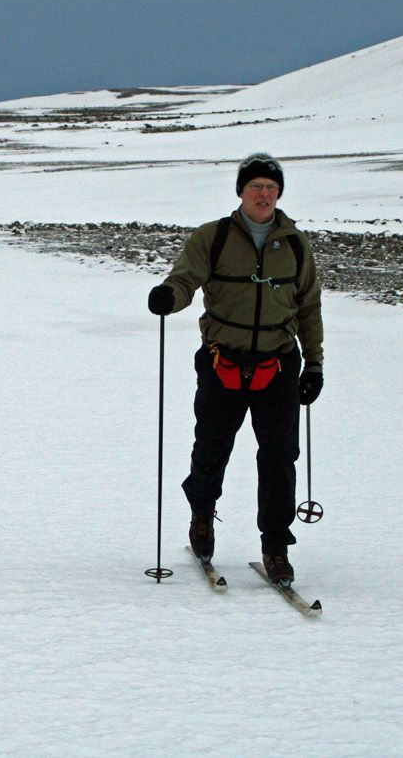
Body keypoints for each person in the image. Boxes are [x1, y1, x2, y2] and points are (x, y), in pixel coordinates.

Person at [147, 153, 323, 585]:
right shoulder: (214, 237)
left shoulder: (296, 244)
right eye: (255, 186)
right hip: (222, 361)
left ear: (279, 192)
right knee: (211, 449)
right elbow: (186, 278)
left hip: (279, 364)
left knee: (280, 458)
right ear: (241, 191)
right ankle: (202, 516)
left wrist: (314, 363)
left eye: (270, 187)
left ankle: (276, 546)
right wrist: (170, 295)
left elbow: (309, 306)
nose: (263, 194)